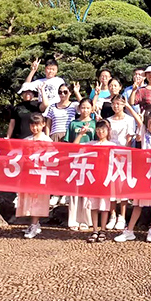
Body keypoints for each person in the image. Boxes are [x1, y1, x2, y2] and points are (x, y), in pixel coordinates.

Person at [115, 111, 151, 243]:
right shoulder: (145, 136)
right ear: (147, 126)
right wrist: (128, 107)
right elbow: (140, 122)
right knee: (138, 204)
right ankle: (129, 231)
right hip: (144, 175)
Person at [75, 120, 114, 243]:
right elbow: (75, 146)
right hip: (93, 178)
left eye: (103, 129)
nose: (101, 132)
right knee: (93, 205)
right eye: (98, 129)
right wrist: (81, 134)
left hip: (105, 178)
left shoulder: (112, 145)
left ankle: (103, 230)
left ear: (108, 131)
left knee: (104, 205)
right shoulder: (91, 144)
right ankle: (95, 230)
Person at [64, 98, 97, 231]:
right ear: (79, 109)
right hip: (75, 158)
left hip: (90, 159)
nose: (85, 110)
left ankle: (85, 220)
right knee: (74, 189)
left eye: (88, 108)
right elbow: (69, 143)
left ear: (92, 109)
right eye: (83, 107)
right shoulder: (73, 123)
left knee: (87, 189)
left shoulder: (95, 123)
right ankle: (73, 219)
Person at [19, 113, 52, 239]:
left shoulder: (47, 141)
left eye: (37, 125)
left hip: (41, 174)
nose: (35, 128)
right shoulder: (27, 140)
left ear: (43, 125)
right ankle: (34, 224)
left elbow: (52, 157)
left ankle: (34, 224)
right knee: (29, 199)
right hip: (29, 173)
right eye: (32, 125)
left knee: (38, 199)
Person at [104, 94, 135, 230]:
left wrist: (125, 155)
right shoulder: (108, 120)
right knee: (111, 186)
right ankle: (112, 215)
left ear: (123, 104)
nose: (116, 106)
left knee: (122, 186)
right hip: (110, 155)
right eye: (114, 104)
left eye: (119, 103)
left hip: (124, 156)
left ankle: (122, 216)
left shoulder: (129, 120)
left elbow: (129, 139)